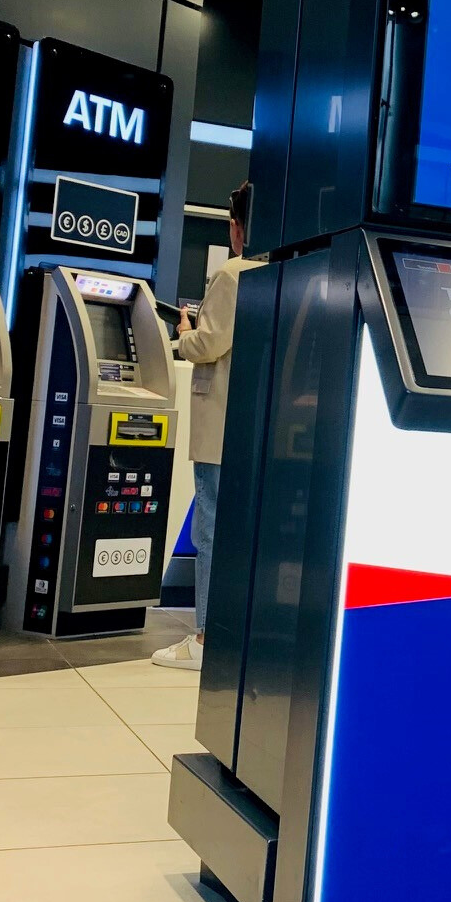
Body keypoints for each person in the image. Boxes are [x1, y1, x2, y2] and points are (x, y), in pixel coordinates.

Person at [152, 182, 262, 671]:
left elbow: (210, 345)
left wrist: (183, 335)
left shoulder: (233, 274)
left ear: (237, 226)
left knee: (212, 528)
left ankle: (204, 637)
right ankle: (235, 633)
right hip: (256, 425)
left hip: (219, 426)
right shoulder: (284, 269)